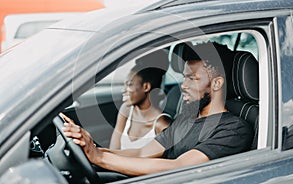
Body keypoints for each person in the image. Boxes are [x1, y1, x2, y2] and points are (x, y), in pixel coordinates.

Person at [62, 41, 254, 178]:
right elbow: (142, 153)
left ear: (217, 83)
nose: (183, 85)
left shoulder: (233, 129)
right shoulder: (187, 117)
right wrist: (93, 149)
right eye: (184, 77)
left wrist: (99, 158)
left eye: (192, 78)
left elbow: (177, 167)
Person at [109, 51, 171, 150]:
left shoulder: (161, 125)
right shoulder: (125, 110)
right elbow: (113, 149)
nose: (123, 90)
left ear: (146, 87)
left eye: (129, 85)